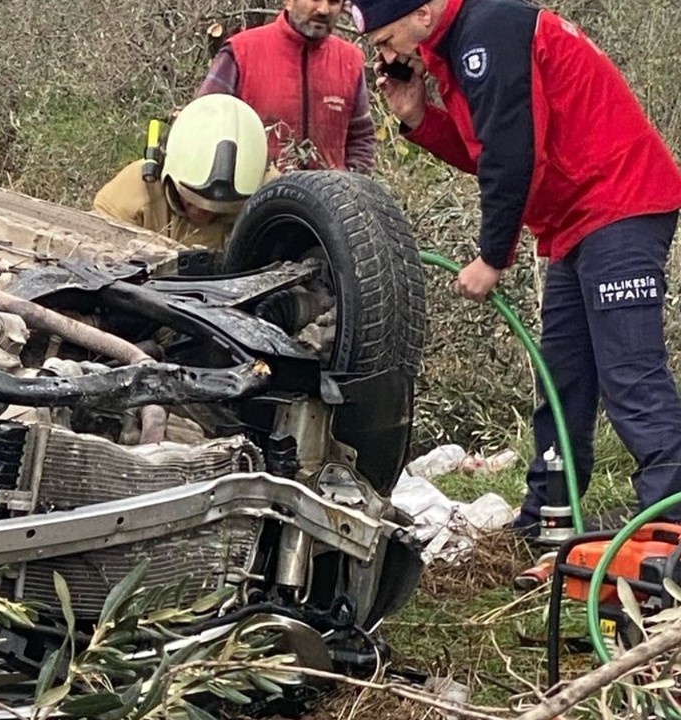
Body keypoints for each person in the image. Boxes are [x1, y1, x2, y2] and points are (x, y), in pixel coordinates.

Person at [352, 0, 681, 530]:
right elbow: (486, 152)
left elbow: (511, 154)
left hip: (620, 202)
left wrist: (492, 257)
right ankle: (548, 514)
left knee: (629, 372)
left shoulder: (489, 33)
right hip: (573, 221)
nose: (388, 55)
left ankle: (672, 520)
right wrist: (416, 116)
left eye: (387, 39)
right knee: (563, 379)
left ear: (422, 12)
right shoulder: (457, 47)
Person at [198, 0, 377, 173]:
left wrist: (351, 182)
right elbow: (203, 125)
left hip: (327, 200)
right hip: (253, 199)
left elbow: (362, 137)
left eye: (333, 2)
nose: (324, 9)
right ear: (289, 1)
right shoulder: (241, 52)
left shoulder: (349, 60)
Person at [92, 94, 269, 250]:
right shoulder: (132, 193)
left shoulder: (274, 199)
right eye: (191, 201)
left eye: (217, 210)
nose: (200, 213)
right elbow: (92, 252)